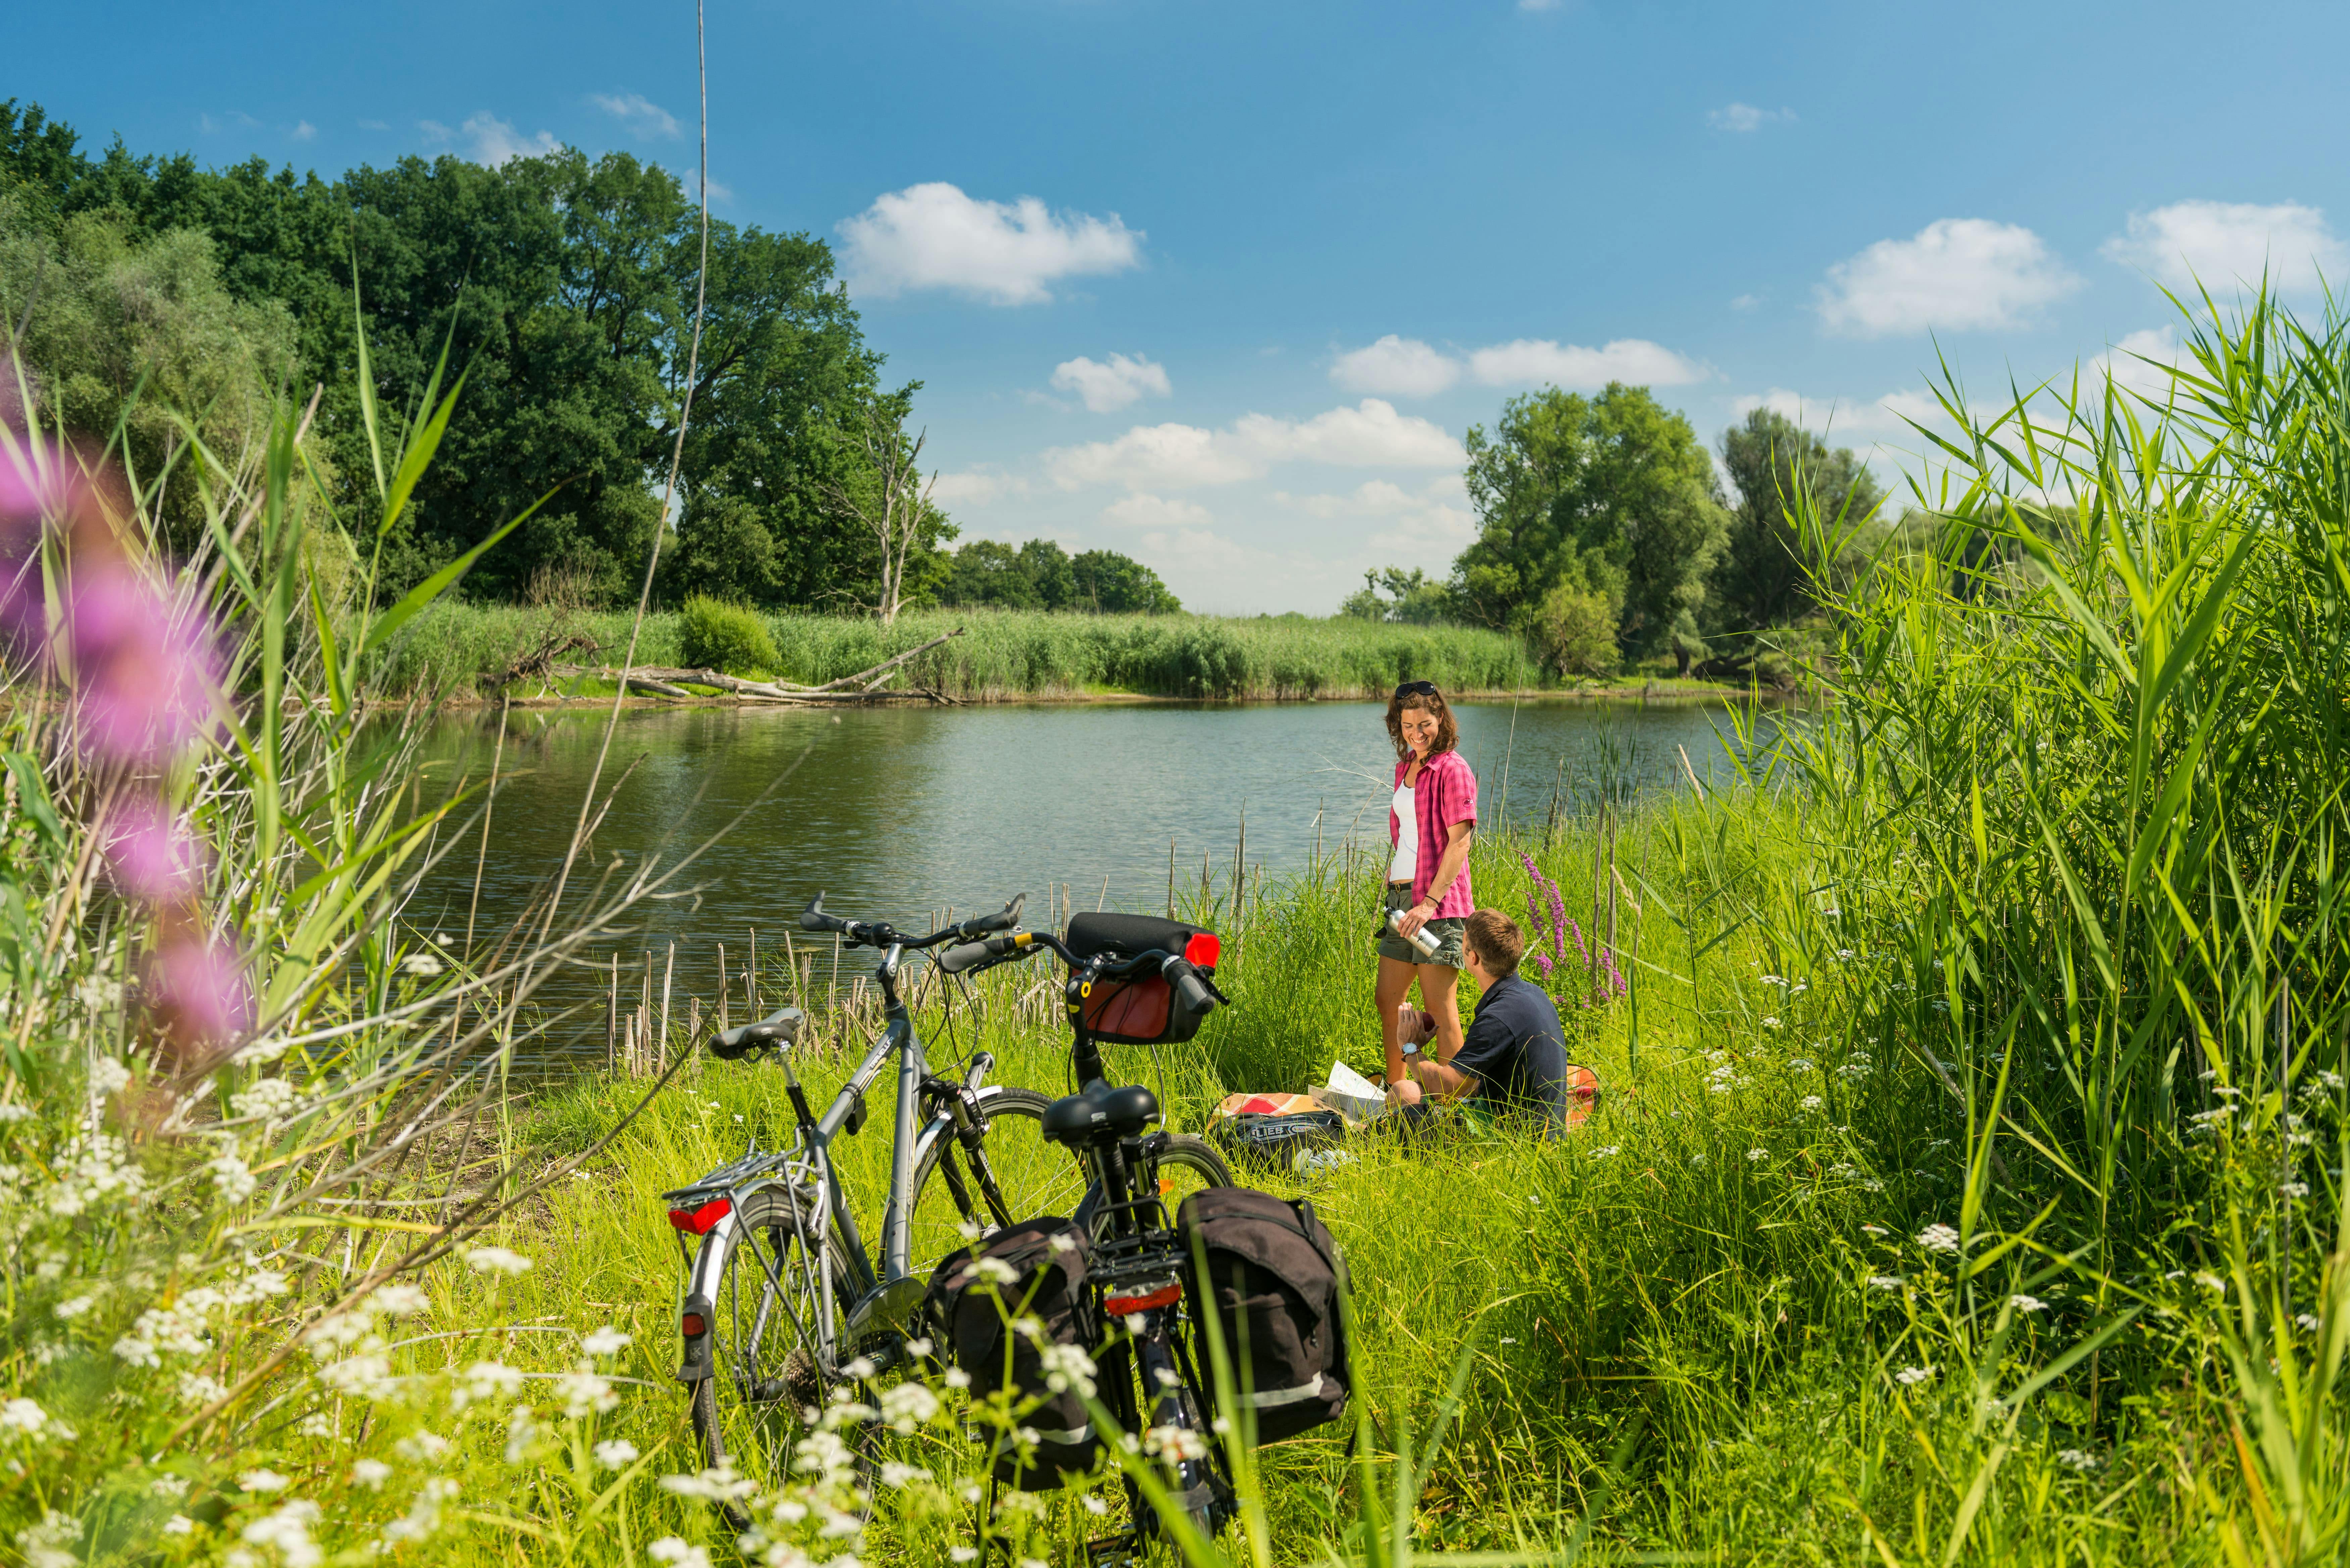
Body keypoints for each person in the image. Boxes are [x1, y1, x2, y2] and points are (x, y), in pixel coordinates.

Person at [1388, 909, 1573, 1132]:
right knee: (1410, 1093)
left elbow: (1447, 1088)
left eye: (1462, 942)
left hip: (1513, 1137)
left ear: (1473, 958)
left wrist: (1410, 1048)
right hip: (1544, 1128)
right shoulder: (1533, 994)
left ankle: (1370, 1136)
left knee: (1403, 1093)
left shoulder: (1497, 1018)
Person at [1376, 680, 1477, 1086]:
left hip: (1437, 906)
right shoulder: (1405, 768)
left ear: (1441, 720)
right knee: (1389, 1003)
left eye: (1425, 724)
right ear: (1397, 726)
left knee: (1440, 1008)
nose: (1416, 733)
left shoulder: (1453, 768)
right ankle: (1399, 1093)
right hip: (1401, 902)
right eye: (1407, 726)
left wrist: (1429, 903)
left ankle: (1454, 1104)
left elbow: (1460, 842)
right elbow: (1408, 834)